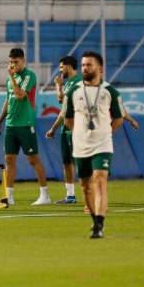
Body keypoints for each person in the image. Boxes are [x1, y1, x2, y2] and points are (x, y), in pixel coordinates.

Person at [64, 51, 124, 239]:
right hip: (81, 145)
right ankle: (94, 218)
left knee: (100, 180)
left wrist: (105, 134)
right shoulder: (73, 91)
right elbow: (68, 120)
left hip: (102, 145)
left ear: (100, 68)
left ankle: (99, 224)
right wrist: (81, 134)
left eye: (89, 65)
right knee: (85, 186)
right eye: (83, 65)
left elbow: (118, 119)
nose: (85, 68)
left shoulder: (110, 92)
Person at [0, 48, 52, 208]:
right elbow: (8, 100)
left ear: (23, 61)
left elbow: (19, 95)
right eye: (11, 62)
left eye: (16, 62)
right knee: (9, 160)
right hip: (11, 125)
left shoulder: (29, 76)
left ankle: (45, 195)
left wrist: (12, 77)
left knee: (33, 159)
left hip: (25, 124)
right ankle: (9, 196)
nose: (13, 65)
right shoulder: (9, 79)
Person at [45, 56, 82, 204]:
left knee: (80, 162)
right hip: (65, 129)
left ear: (69, 66)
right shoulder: (67, 84)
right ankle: (70, 195)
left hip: (76, 127)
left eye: (62, 67)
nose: (60, 70)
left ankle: (92, 193)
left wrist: (58, 86)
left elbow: (63, 101)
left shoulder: (79, 83)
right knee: (66, 163)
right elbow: (63, 108)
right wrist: (54, 128)